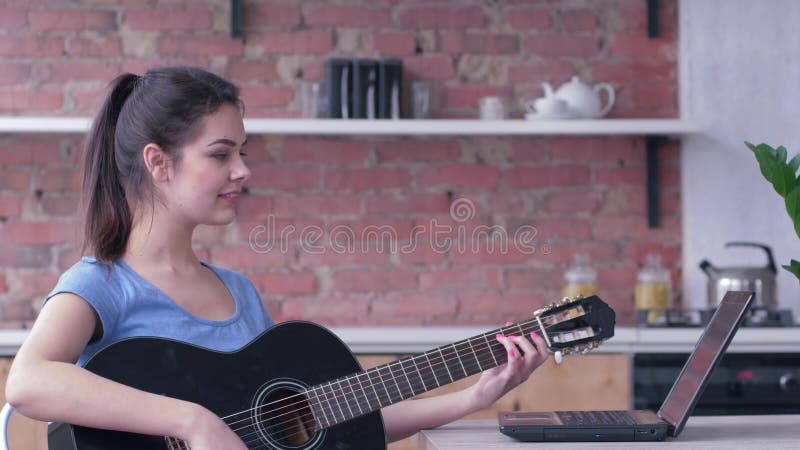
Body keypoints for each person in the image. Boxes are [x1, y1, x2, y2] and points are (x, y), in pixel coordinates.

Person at [5, 66, 549, 449]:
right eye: (221, 154)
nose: (243, 171)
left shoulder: (237, 292)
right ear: (159, 163)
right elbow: (28, 382)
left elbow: (324, 423)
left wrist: (473, 396)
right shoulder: (101, 283)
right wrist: (195, 423)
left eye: (243, 153)